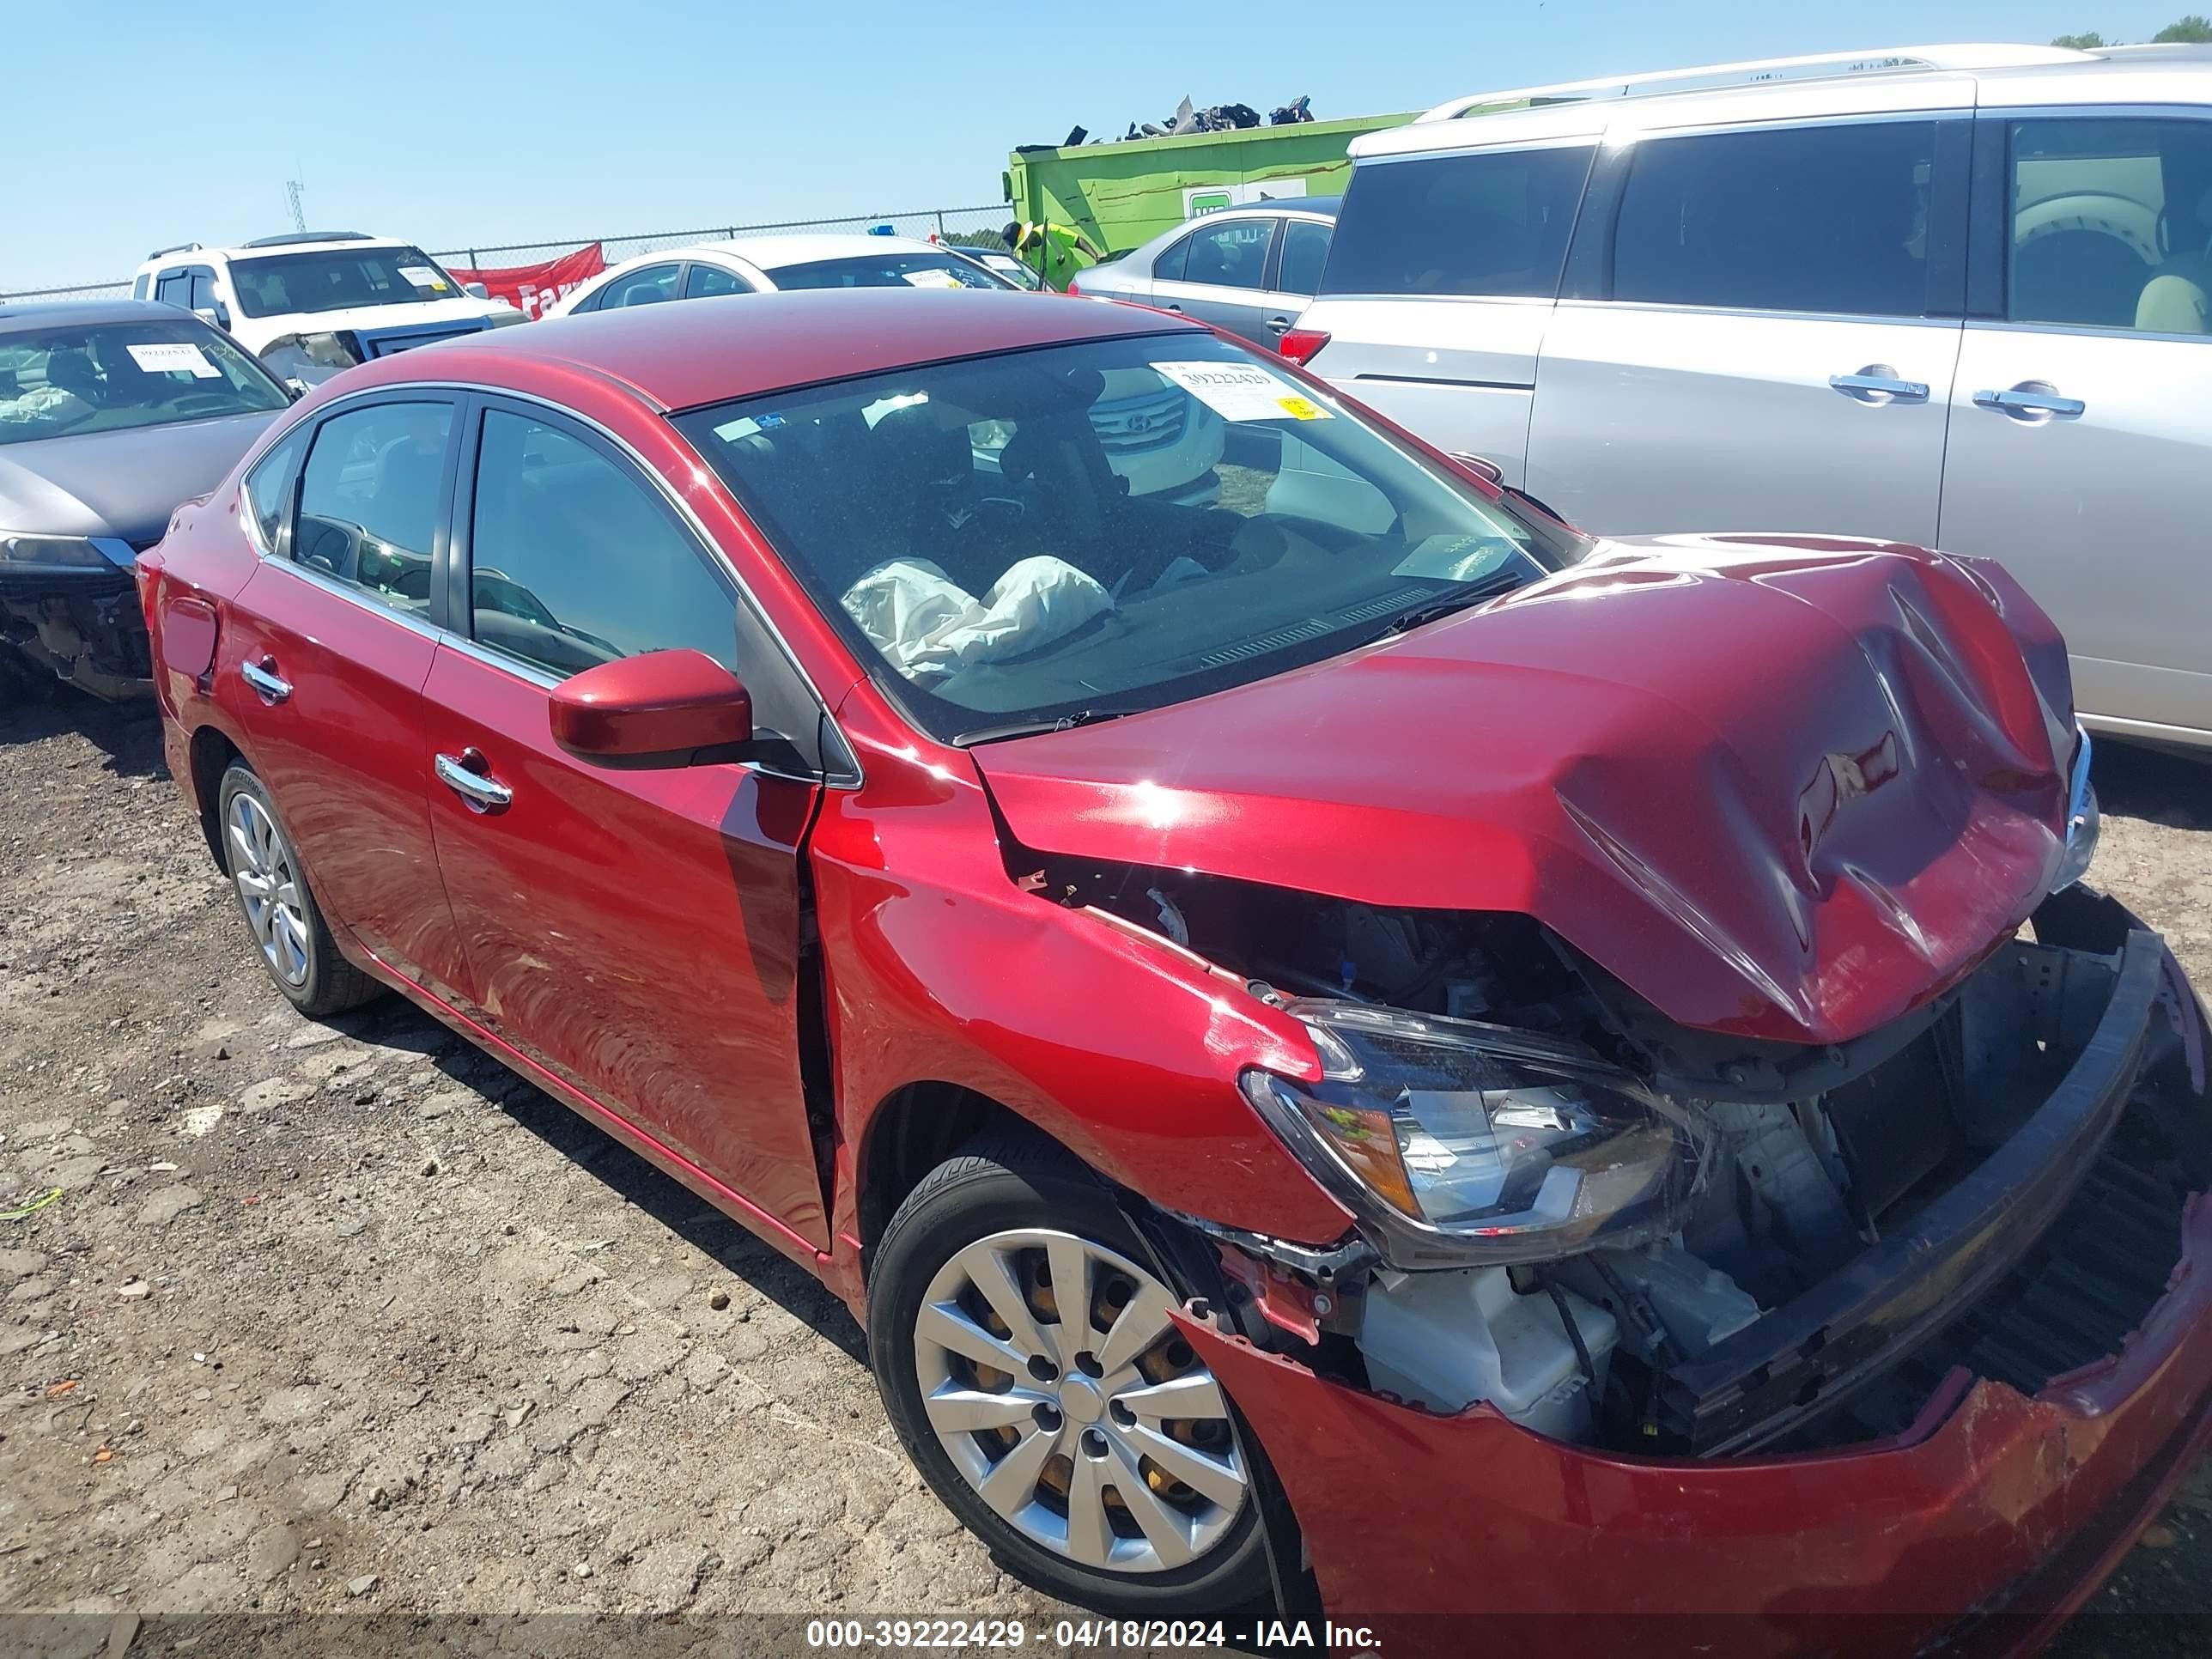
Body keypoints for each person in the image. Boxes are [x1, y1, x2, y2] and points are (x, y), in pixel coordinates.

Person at [1001, 220, 1103, 291]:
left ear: (1028, 237)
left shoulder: (1050, 231)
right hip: (1058, 295)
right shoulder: (1024, 259)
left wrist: (1095, 256)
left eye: (1022, 245)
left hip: (1078, 282)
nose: (1022, 249)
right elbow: (1028, 285)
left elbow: (1077, 241)